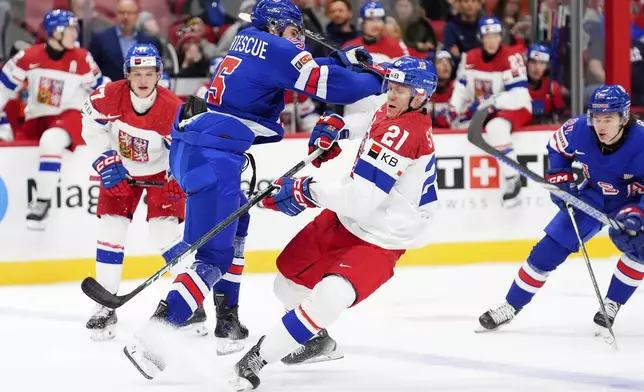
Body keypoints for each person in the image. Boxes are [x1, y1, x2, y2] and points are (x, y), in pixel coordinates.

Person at [122, 0, 389, 379]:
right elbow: (330, 86)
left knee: (236, 229)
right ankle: (152, 336)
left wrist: (343, 61)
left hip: (196, 149)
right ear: (277, 27)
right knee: (212, 259)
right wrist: (380, 78)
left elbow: (299, 69)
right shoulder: (277, 48)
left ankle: (227, 322)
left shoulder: (250, 39)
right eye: (295, 32)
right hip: (214, 157)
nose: (298, 39)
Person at [231, 55, 439, 391]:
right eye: (392, 86)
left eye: (403, 89)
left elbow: (361, 197)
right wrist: (338, 128)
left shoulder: (406, 133)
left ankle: (258, 358)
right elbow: (370, 121)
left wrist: (306, 189)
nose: (392, 94)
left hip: (382, 237)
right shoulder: (392, 111)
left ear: (420, 96)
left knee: (329, 297)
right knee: (286, 285)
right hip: (347, 219)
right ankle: (316, 342)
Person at [477, 85, 644, 337]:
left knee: (640, 249)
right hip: (594, 197)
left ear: (624, 117)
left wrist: (638, 214)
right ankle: (510, 305)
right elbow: (557, 147)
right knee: (548, 250)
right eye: (596, 118)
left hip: (634, 200)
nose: (601, 126)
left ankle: (612, 302)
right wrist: (560, 178)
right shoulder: (579, 129)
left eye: (608, 119)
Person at [80, 44, 187, 340]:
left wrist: (177, 175)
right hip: (121, 170)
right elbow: (91, 125)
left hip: (159, 171)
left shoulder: (172, 108)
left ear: (158, 75)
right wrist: (105, 158)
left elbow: (182, 150)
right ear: (127, 74)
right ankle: (104, 305)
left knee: (163, 234)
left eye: (149, 73)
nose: (143, 80)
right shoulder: (108, 96)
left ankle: (192, 300)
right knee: (111, 229)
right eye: (137, 73)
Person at [0, 9, 103, 229]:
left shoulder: (82, 58)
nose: (75, 34)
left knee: (51, 140)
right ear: (55, 32)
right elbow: (3, 89)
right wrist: (2, 120)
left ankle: (42, 202)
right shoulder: (28, 57)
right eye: (71, 29)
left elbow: (101, 90)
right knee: (11, 145)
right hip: (37, 117)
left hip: (71, 115)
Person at [437, 17, 531, 206]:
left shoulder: (511, 57)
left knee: (497, 127)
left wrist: (488, 103)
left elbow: (519, 94)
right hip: (486, 109)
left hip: (514, 107)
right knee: (460, 126)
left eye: (495, 35)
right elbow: (462, 88)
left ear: (500, 36)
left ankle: (513, 177)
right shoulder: (470, 58)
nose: (491, 40)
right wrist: (454, 109)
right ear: (481, 37)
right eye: (487, 36)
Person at [526, 44, 566, 124]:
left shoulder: (552, 88)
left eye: (542, 63)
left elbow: (562, 118)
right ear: (527, 63)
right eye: (533, 62)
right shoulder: (517, 86)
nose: (537, 67)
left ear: (547, 66)